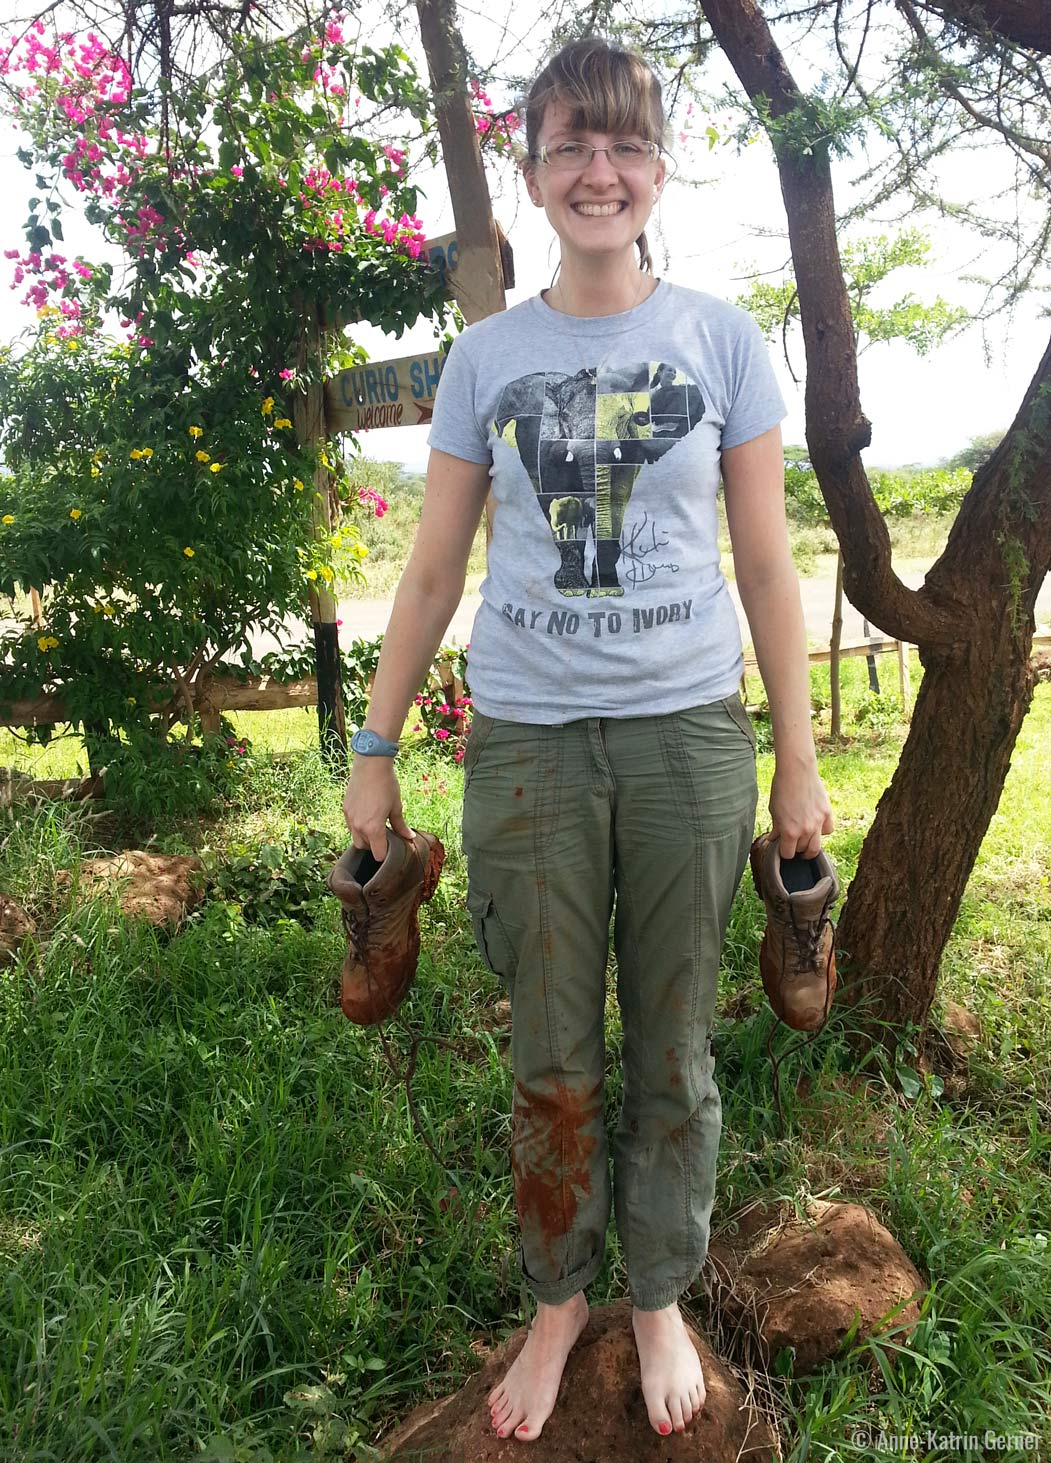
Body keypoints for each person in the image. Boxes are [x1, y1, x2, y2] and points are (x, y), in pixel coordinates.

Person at [341, 35, 834, 1446]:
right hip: (531, 750)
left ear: (658, 168)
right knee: (551, 1058)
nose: (598, 171)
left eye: (622, 146)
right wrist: (375, 744)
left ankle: (660, 1289)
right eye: (570, 144)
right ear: (533, 169)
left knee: (675, 1051)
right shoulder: (486, 359)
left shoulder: (721, 340)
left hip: (690, 742)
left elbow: (768, 564)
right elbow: (434, 571)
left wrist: (796, 762)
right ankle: (560, 1298)